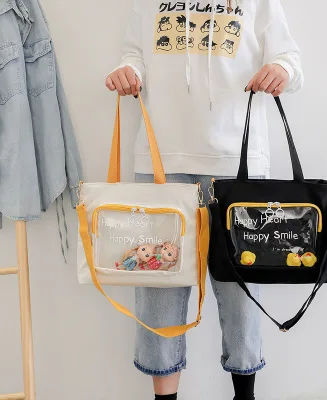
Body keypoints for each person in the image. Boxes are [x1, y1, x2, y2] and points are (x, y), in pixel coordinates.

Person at [106, 1, 303, 399]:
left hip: (237, 163)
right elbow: (135, 54)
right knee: (157, 286)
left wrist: (281, 70)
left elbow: (290, 59)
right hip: (161, 160)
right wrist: (128, 71)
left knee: (241, 291)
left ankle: (244, 395)